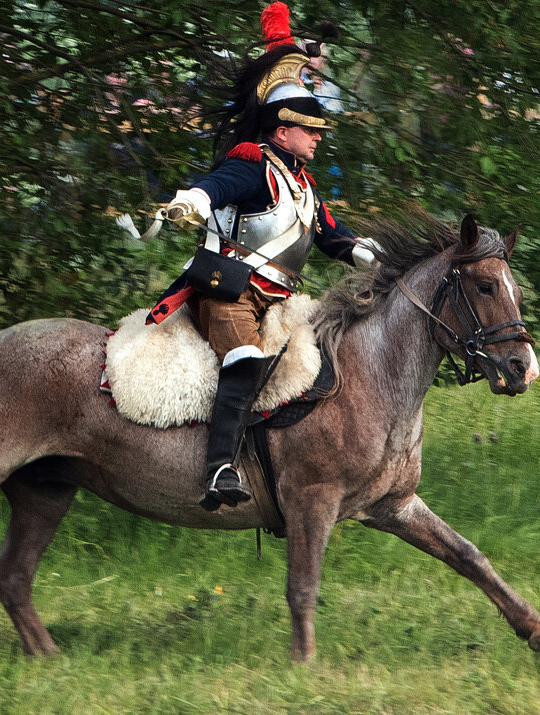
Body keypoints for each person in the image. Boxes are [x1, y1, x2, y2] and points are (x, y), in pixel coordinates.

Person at [136, 2, 377, 511]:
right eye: (309, 130)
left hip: (279, 300)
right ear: (281, 130)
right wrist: (191, 201)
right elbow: (214, 186)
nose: (317, 137)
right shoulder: (252, 165)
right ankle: (218, 468)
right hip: (229, 293)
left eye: (318, 131)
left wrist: (375, 256)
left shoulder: (304, 187)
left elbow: (334, 236)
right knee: (247, 362)